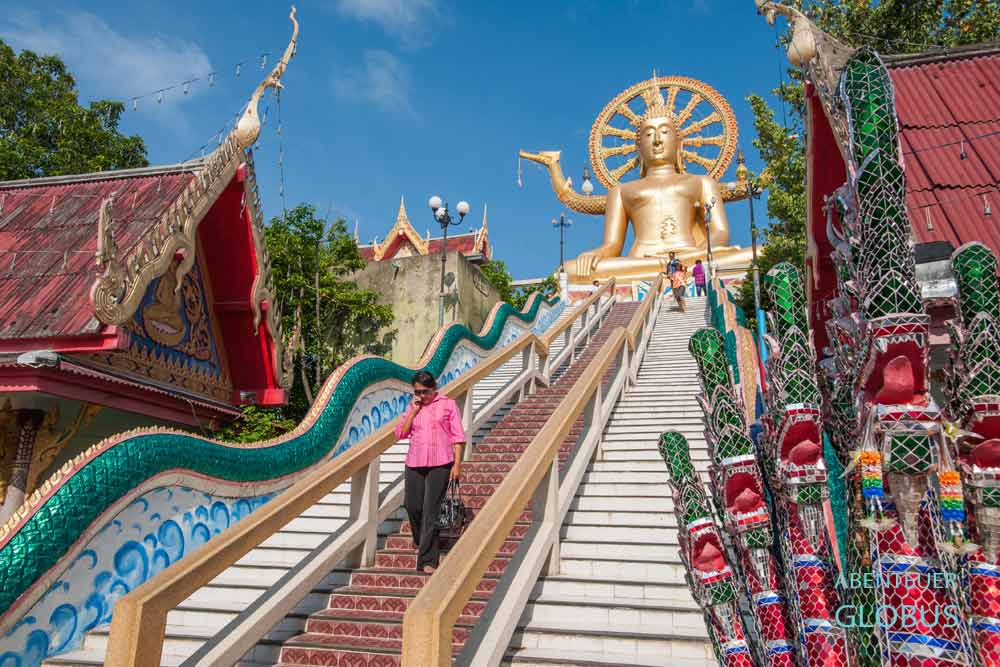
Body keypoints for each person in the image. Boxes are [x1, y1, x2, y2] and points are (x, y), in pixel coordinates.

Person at [394, 370, 465, 573]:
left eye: (425, 391)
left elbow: (458, 437)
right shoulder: (413, 407)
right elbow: (400, 433)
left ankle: (428, 561)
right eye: (417, 392)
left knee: (430, 511)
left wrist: (457, 465)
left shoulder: (448, 405)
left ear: (434, 388)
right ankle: (423, 539)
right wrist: (414, 411)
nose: (422, 395)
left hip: (441, 463)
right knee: (412, 506)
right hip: (415, 462)